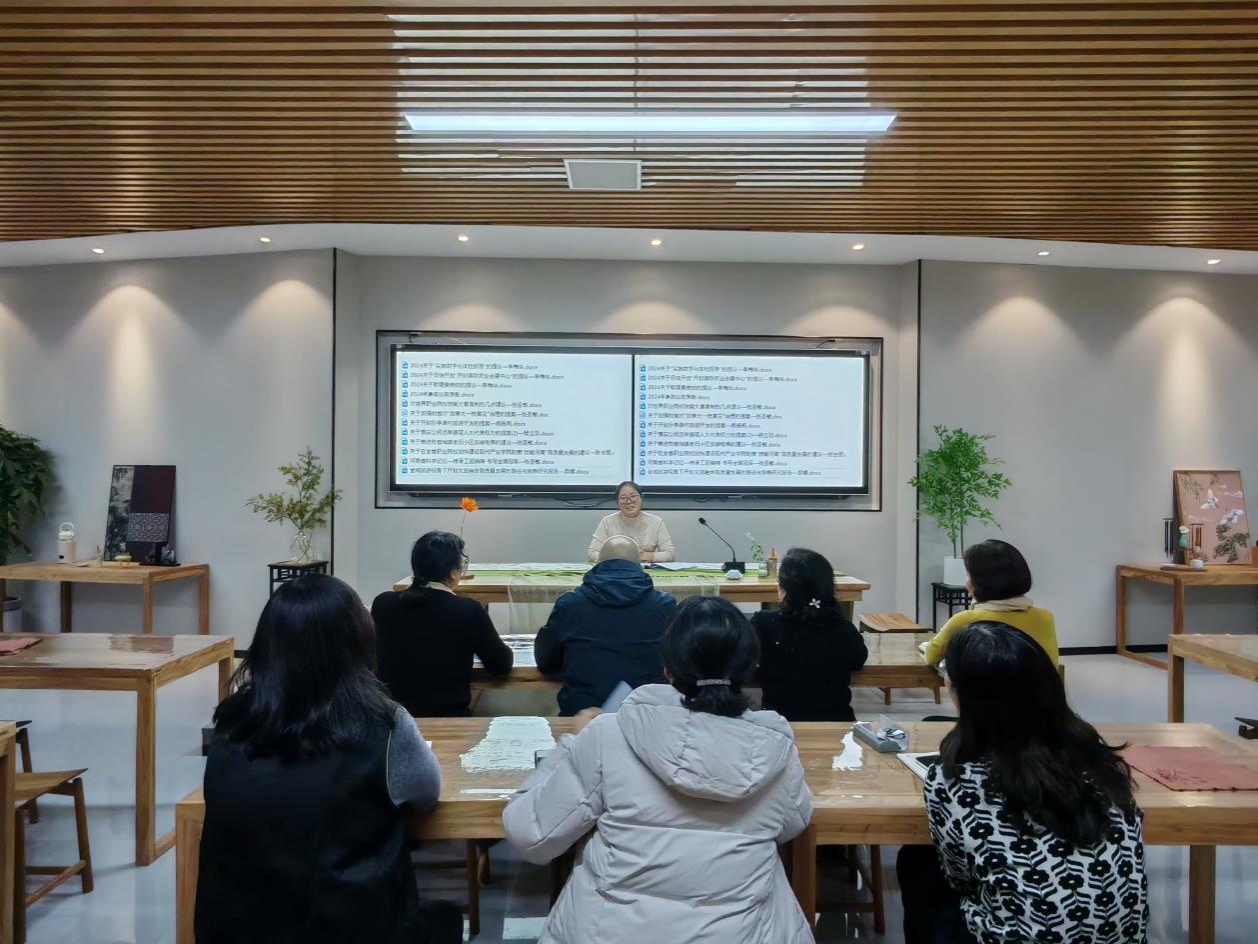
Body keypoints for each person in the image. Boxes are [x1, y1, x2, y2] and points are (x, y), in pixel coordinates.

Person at [504, 596, 814, 944]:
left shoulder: (609, 735)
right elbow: (793, 823)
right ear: (750, 667)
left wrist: (570, 748)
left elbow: (533, 836)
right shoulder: (774, 746)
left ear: (667, 669)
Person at [196, 574, 462, 944]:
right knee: (446, 918)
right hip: (346, 927)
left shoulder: (231, 721)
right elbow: (426, 794)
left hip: (236, 930)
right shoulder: (383, 724)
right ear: (357, 641)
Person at [897, 622, 1147, 944]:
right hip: (1122, 936)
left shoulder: (955, 780)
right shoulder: (1095, 756)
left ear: (964, 694)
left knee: (917, 862)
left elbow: (958, 876)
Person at [373, 530, 513, 717]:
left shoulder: (382, 603)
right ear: (454, 573)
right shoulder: (468, 610)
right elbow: (500, 666)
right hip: (448, 717)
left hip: (390, 718)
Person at [536, 535, 677, 715]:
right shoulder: (664, 606)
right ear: (639, 566)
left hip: (582, 716)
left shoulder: (570, 604)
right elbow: (676, 663)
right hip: (647, 716)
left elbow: (546, 662)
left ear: (598, 564)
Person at [751, 546, 868, 721]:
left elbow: (744, 661)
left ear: (784, 588)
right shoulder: (844, 628)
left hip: (780, 725)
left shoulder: (763, 624)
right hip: (836, 723)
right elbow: (858, 661)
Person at [923, 539, 1057, 667]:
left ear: (981, 582)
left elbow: (930, 656)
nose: (967, 582)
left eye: (969, 575)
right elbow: (1051, 665)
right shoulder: (1045, 617)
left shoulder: (965, 620)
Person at [587, 480, 675, 563]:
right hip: (616, 568)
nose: (628, 501)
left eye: (633, 496)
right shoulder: (607, 522)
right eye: (623, 498)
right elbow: (592, 553)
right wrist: (618, 557)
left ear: (641, 498)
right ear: (617, 502)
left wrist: (644, 556)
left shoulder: (656, 522)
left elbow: (670, 554)